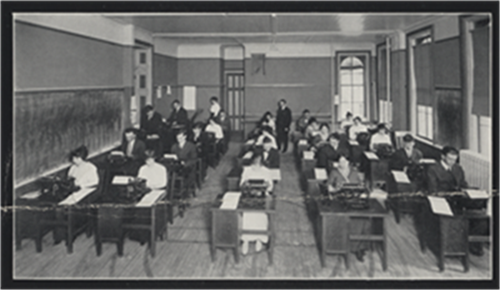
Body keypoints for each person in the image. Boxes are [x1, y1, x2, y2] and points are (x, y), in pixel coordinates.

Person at [326, 154, 368, 261]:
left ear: (348, 162)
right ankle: (340, 245)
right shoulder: (334, 172)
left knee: (362, 220)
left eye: (344, 162)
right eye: (340, 162)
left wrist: (362, 193)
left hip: (353, 200)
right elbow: (329, 186)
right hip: (339, 199)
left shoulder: (354, 172)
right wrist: (334, 189)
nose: (341, 164)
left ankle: (358, 248)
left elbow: (361, 185)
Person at [239, 152, 273, 255]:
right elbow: (241, 184)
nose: (256, 164)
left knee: (261, 215)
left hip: (261, 197)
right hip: (249, 196)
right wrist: (246, 185)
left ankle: (259, 238)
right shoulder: (247, 170)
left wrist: (266, 186)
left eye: (259, 162)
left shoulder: (266, 171)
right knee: (247, 215)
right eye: (255, 162)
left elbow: (271, 186)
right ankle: (246, 240)